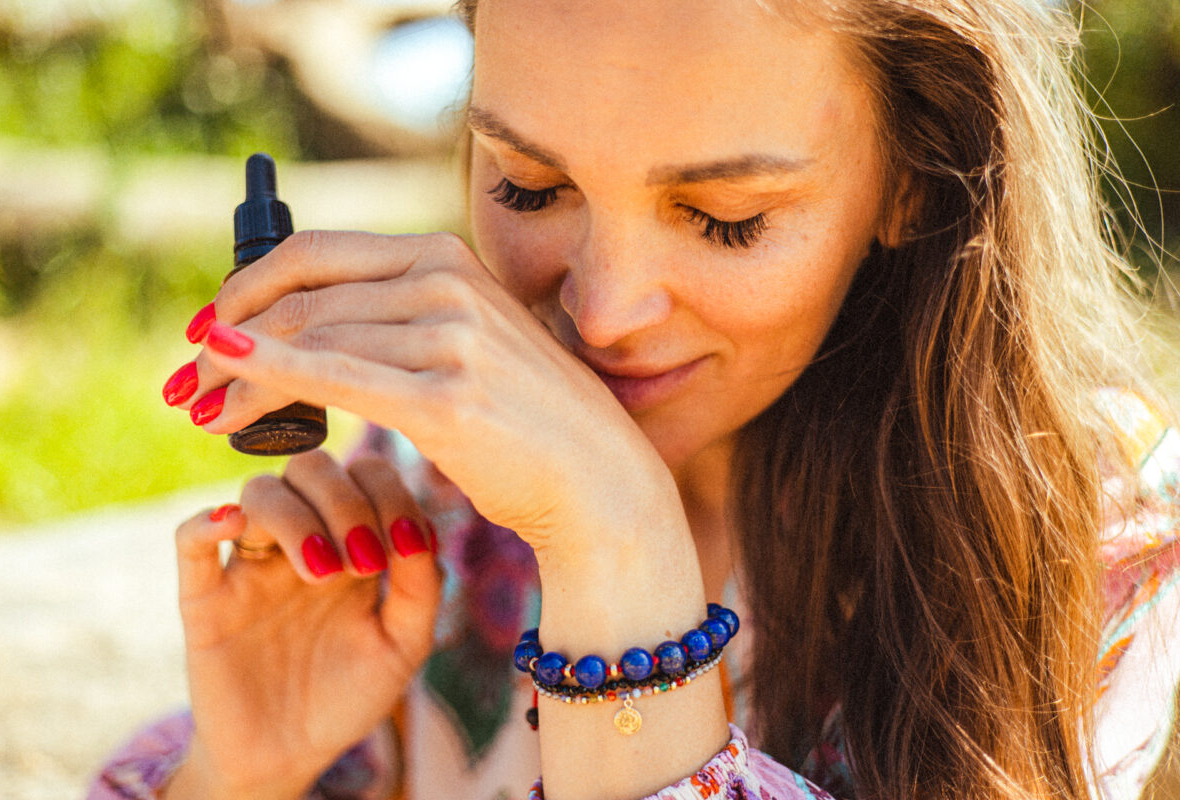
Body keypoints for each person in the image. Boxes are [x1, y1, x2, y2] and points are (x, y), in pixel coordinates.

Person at [91, 1, 1180, 798]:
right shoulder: (440, 488)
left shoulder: (1083, 532)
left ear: (917, 174)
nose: (602, 312)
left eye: (723, 214)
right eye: (527, 184)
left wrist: (617, 547)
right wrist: (239, 773)